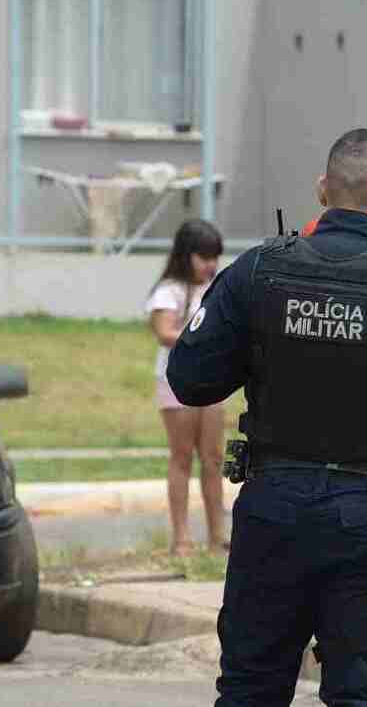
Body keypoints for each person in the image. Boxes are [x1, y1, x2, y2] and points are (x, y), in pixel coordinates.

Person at [167, 128, 367, 707]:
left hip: (275, 510)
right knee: (356, 695)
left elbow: (190, 378)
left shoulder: (257, 272)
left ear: (322, 190)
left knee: (250, 690)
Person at [145, 219, 228, 557]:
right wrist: (203, 339)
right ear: (186, 255)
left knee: (213, 458)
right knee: (182, 457)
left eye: (215, 258)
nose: (211, 265)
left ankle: (216, 536)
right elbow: (164, 332)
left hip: (212, 383)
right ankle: (181, 539)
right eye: (204, 257)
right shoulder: (168, 290)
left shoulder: (216, 289)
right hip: (175, 382)